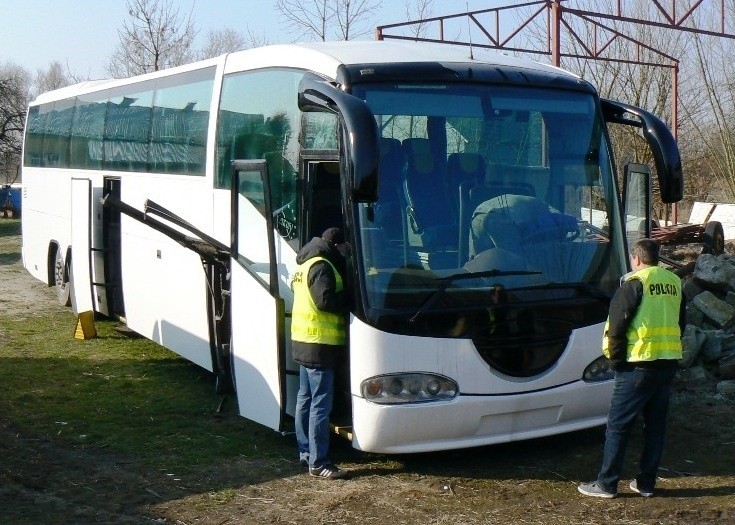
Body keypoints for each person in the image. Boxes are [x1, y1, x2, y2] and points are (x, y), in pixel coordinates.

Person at [578, 238, 685, 498]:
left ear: (635, 259)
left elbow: (616, 326)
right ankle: (646, 484)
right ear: (656, 258)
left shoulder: (635, 283)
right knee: (655, 427)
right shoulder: (675, 283)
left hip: (637, 366)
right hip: (667, 363)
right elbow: (681, 322)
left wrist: (616, 361)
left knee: (618, 426)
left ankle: (606, 484)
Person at [291, 227, 350, 479]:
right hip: (319, 346)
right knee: (320, 405)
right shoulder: (322, 265)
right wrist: (349, 297)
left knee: (304, 400)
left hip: (304, 341)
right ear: (336, 245)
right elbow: (324, 302)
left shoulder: (305, 262)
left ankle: (305, 452)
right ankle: (319, 462)